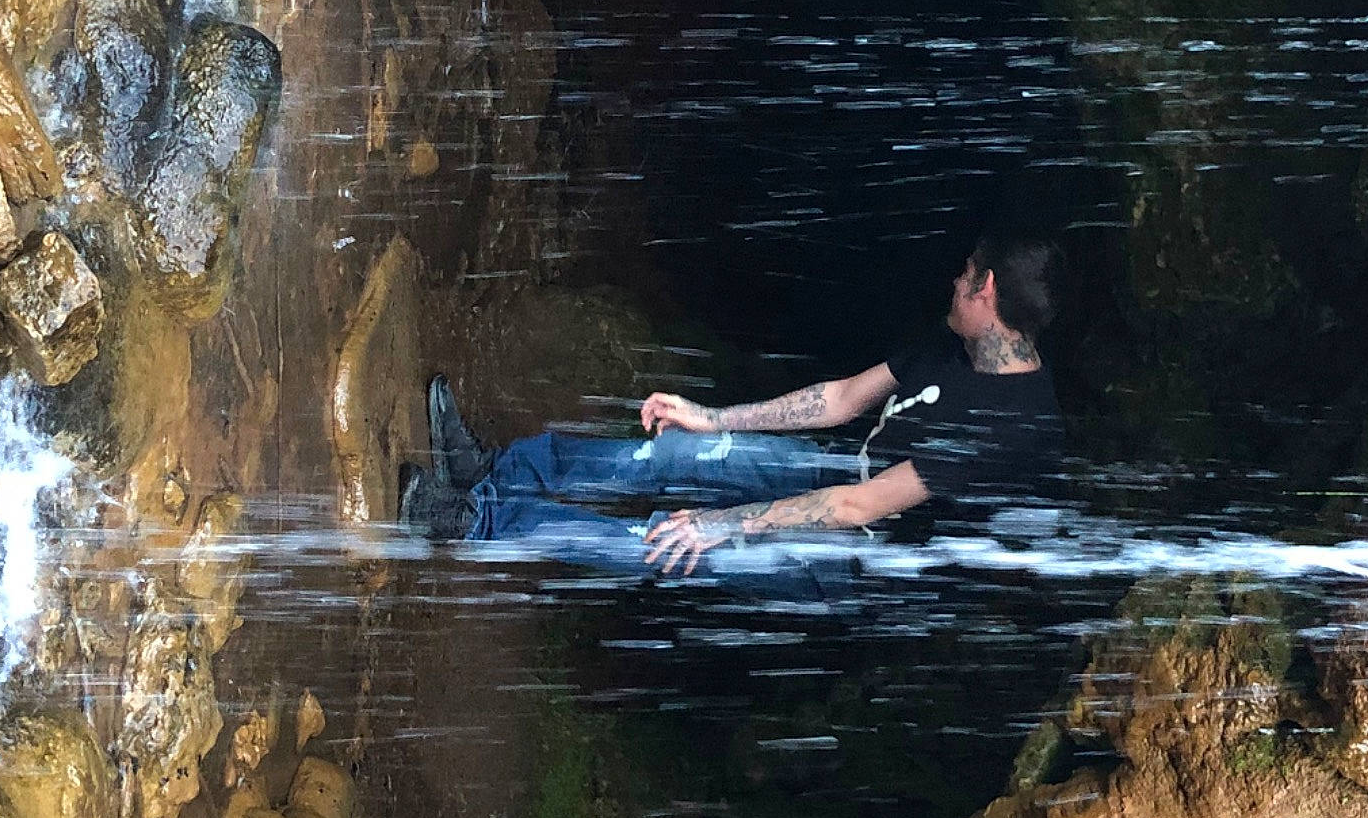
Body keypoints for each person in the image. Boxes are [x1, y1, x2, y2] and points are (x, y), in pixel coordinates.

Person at [400, 233, 1067, 576]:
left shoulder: (1009, 423)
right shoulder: (961, 346)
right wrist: (710, 418)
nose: (953, 279)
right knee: (678, 449)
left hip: (855, 556)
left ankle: (469, 523)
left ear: (985, 293)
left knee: (667, 541)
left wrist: (722, 524)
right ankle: (490, 474)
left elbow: (856, 510)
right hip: (842, 477)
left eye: (965, 274)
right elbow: (841, 400)